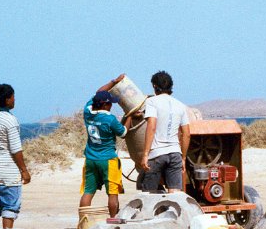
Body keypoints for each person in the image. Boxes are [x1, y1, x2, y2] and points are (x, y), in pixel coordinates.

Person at [79, 74, 135, 219]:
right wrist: (130, 114)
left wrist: (113, 82)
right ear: (105, 105)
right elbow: (123, 133)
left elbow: (98, 93)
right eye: (110, 103)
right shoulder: (109, 119)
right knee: (112, 192)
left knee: (88, 191)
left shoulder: (88, 112)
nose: (111, 106)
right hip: (108, 160)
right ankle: (113, 220)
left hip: (91, 159)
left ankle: (82, 223)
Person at [0, 84, 31, 229]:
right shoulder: (10, 120)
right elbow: (16, 149)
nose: (14, 100)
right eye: (12, 97)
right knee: (9, 209)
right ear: (7, 99)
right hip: (9, 173)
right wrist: (24, 170)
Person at [140, 70, 191, 193]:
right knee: (174, 195)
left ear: (154, 86)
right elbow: (186, 134)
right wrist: (183, 158)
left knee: (149, 195)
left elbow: (151, 126)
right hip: (175, 153)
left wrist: (146, 154)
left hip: (157, 153)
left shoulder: (152, 102)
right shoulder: (180, 105)